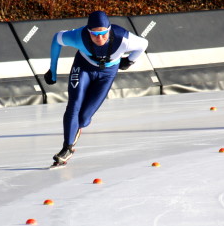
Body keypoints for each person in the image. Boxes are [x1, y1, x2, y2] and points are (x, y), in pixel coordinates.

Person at [44, 11, 149, 167]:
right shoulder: (78, 36)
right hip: (83, 67)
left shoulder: (123, 38)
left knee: (84, 118)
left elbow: (143, 44)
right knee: (74, 104)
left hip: (107, 74)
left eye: (103, 34)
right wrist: (52, 70)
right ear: (88, 31)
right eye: (94, 34)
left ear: (109, 29)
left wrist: (129, 61)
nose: (99, 38)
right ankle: (67, 148)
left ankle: (74, 135)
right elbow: (57, 39)